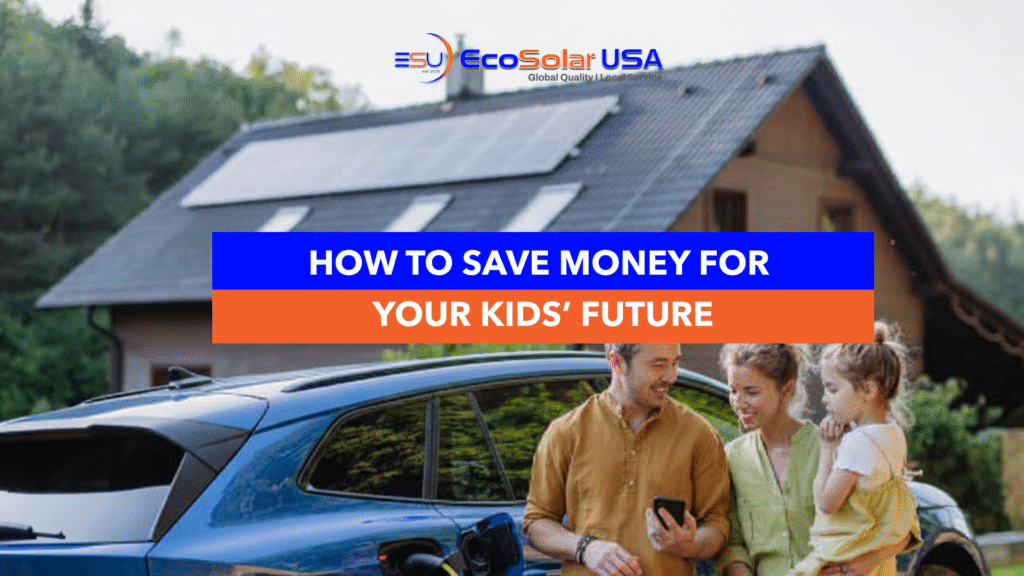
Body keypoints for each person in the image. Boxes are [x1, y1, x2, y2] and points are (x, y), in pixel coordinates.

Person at [524, 343, 731, 576]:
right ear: (617, 363)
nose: (671, 376)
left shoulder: (699, 434)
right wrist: (586, 548)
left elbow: (717, 527)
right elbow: (537, 523)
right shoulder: (566, 431)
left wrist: (690, 544)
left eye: (675, 363)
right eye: (658, 365)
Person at [717, 343, 913, 576]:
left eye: (751, 392)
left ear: (786, 389)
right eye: (733, 391)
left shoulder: (838, 444)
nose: (738, 403)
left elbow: (902, 523)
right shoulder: (733, 457)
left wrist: (863, 563)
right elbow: (733, 542)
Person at [788, 323, 920, 576]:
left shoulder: (857, 442)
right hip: (877, 562)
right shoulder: (893, 433)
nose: (825, 399)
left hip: (845, 557)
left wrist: (827, 449)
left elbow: (827, 502)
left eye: (833, 388)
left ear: (869, 390)